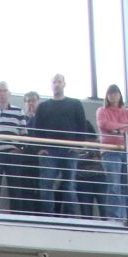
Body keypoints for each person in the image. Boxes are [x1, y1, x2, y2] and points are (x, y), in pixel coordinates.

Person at [30, 73, 94, 216]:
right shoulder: (43, 106)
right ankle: (49, 216)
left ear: (64, 84)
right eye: (54, 82)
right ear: (51, 85)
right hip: (49, 150)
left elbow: (82, 126)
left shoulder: (75, 103)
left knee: (69, 184)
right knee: (46, 184)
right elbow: (36, 129)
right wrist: (39, 148)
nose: (57, 84)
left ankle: (70, 216)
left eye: (59, 82)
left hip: (69, 150)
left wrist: (78, 146)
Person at [94, 86, 128, 223]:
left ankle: (125, 217)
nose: (113, 96)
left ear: (120, 95)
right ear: (107, 96)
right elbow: (104, 124)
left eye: (115, 93)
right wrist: (123, 128)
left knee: (126, 184)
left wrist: (117, 129)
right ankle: (115, 216)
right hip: (110, 151)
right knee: (114, 183)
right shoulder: (102, 110)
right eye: (110, 93)